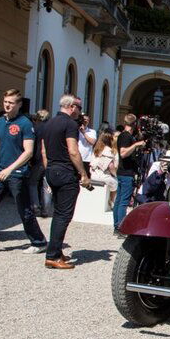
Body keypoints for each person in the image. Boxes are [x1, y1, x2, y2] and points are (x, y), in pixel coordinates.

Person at [0, 89, 47, 255]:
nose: (7, 105)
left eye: (11, 102)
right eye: (6, 101)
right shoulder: (0, 122)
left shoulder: (25, 124)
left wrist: (10, 169)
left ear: (19, 105)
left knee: (24, 210)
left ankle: (39, 241)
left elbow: (28, 152)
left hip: (17, 174)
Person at [41, 94, 91, 269]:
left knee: (58, 214)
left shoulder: (49, 123)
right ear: (71, 106)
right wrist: (83, 174)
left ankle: (55, 250)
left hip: (52, 170)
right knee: (63, 216)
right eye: (78, 107)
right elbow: (73, 151)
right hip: (65, 172)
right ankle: (53, 255)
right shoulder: (70, 124)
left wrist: (48, 170)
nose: (80, 111)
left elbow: (44, 151)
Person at [113, 114, 145, 235]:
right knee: (123, 202)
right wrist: (136, 145)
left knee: (119, 200)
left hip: (123, 172)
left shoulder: (124, 135)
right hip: (126, 173)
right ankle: (121, 227)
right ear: (134, 124)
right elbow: (123, 153)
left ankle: (117, 226)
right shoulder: (126, 136)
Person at [29, 109, 51, 217]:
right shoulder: (51, 128)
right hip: (50, 158)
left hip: (37, 158)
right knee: (45, 185)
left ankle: (35, 206)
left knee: (33, 183)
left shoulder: (35, 128)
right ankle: (46, 209)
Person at [90, 131, 118, 207]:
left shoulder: (96, 150)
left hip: (93, 175)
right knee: (116, 183)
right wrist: (115, 175)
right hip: (103, 176)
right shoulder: (109, 151)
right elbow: (111, 166)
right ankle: (111, 201)